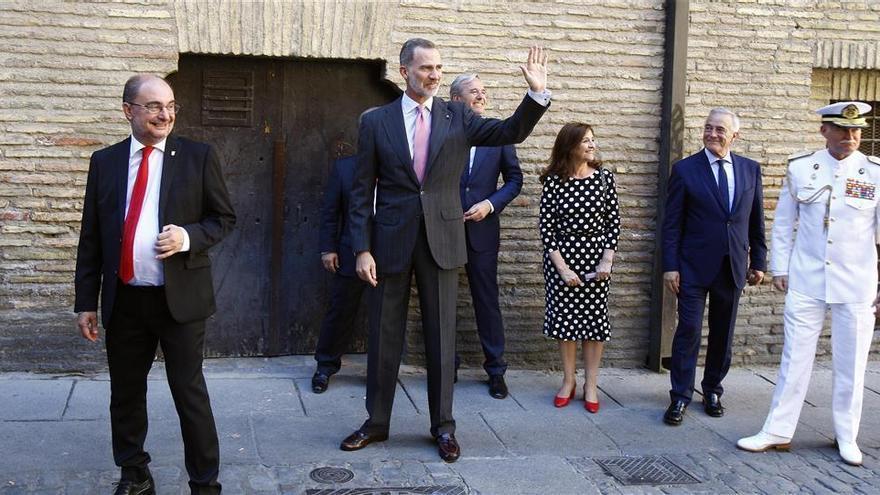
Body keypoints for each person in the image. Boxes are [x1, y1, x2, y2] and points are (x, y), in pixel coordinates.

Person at [340, 38, 550, 463]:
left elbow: (509, 131)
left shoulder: (458, 116)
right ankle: (376, 423)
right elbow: (362, 193)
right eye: (425, 68)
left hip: (443, 239)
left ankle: (443, 427)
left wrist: (536, 95)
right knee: (383, 337)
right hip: (390, 242)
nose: (434, 75)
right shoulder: (376, 122)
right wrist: (361, 249)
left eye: (438, 68)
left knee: (441, 337)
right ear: (404, 71)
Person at [74, 75, 235, 494]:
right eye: (153, 106)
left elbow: (223, 219)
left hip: (178, 299)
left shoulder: (198, 157)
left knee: (189, 392)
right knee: (125, 393)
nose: (165, 114)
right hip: (125, 299)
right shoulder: (104, 162)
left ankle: (205, 483)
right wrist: (85, 302)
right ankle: (135, 473)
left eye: (170, 105)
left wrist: (187, 238)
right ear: (128, 110)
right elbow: (91, 237)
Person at [737, 101, 880, 466]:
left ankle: (846, 435)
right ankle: (777, 431)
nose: (851, 137)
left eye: (856, 131)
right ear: (824, 131)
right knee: (794, 358)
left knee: (851, 362)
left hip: (858, 281)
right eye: (843, 130)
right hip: (807, 277)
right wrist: (780, 268)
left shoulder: (874, 172)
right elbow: (784, 224)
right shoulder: (802, 168)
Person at [661, 108, 767, 426]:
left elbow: (755, 220)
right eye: (708, 128)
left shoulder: (750, 170)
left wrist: (759, 261)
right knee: (689, 330)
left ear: (735, 135)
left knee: (723, 333)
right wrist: (670, 266)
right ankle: (680, 396)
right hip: (692, 266)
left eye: (720, 130)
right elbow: (671, 224)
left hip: (732, 266)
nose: (712, 134)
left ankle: (712, 390)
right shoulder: (685, 170)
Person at [449, 73, 523, 399]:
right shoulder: (441, 133)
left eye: (483, 92)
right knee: (442, 300)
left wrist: (490, 205)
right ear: (455, 99)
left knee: (486, 301)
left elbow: (514, 180)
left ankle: (495, 371)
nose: (480, 96)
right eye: (473, 92)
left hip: (482, 230)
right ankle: (445, 365)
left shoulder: (499, 134)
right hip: (443, 230)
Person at [538, 123, 620, 413]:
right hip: (563, 260)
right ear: (570, 145)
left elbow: (613, 223)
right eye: (585, 140)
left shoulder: (604, 179)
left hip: (597, 260)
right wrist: (562, 269)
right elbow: (547, 229)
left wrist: (606, 260)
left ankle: (591, 384)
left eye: (593, 140)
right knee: (566, 323)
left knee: (594, 323)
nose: (591, 145)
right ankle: (568, 380)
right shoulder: (554, 181)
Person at [311, 154, 370, 393]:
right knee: (340, 311)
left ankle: (380, 374)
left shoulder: (399, 165)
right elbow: (330, 212)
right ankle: (325, 367)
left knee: (385, 318)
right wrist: (328, 248)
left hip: (389, 253)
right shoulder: (345, 168)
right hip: (349, 252)